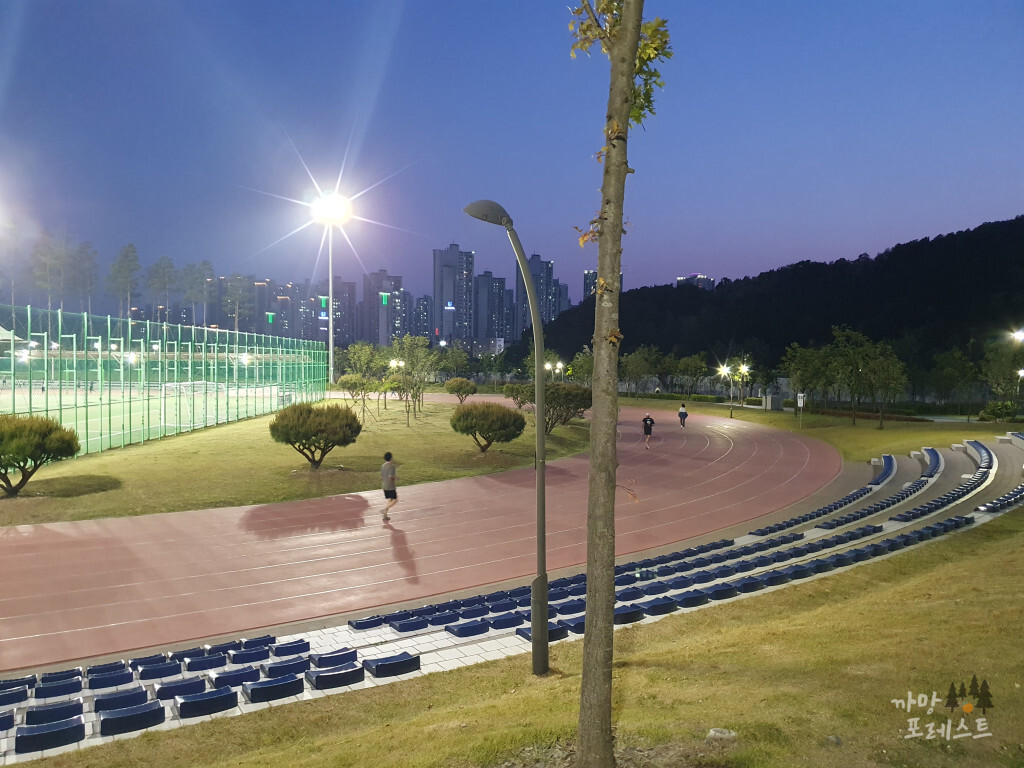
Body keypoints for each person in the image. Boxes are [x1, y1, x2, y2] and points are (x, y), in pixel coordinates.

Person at [380, 451, 398, 521]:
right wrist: (395, 478)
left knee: (389, 500)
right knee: (395, 500)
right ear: (391, 458)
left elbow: (381, 476)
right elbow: (390, 476)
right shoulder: (392, 466)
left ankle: (385, 516)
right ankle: (384, 510)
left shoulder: (382, 466)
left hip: (384, 486)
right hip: (390, 486)